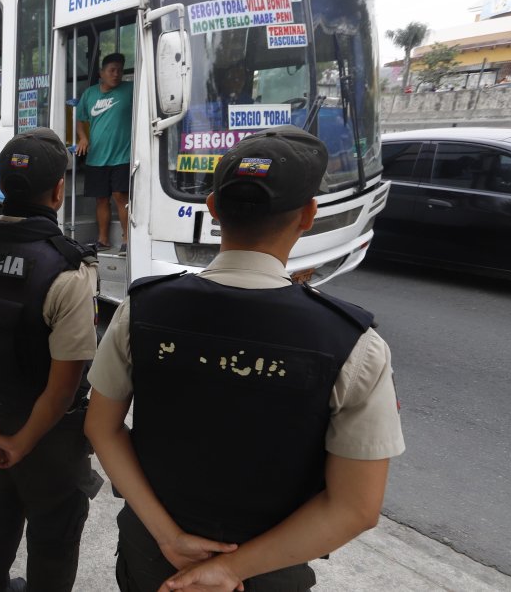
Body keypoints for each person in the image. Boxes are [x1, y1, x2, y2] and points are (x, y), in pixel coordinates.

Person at [84, 126, 405, 592]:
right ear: (308, 215)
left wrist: (169, 537)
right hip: (266, 573)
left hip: (152, 556)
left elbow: (101, 427)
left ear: (213, 210)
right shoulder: (353, 344)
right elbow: (356, 507)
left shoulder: (143, 309)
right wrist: (231, 569)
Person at [0, 128, 101, 592]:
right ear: (58, 191)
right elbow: (64, 384)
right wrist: (25, 441)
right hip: (48, 436)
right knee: (54, 531)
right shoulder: (68, 272)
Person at [76, 52, 134, 254]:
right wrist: (83, 138)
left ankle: (127, 239)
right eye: (112, 70)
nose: (116, 74)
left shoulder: (130, 90)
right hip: (96, 158)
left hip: (123, 156)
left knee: (120, 195)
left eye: (119, 70)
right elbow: (80, 120)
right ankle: (103, 239)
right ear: (101, 73)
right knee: (101, 198)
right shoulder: (90, 94)